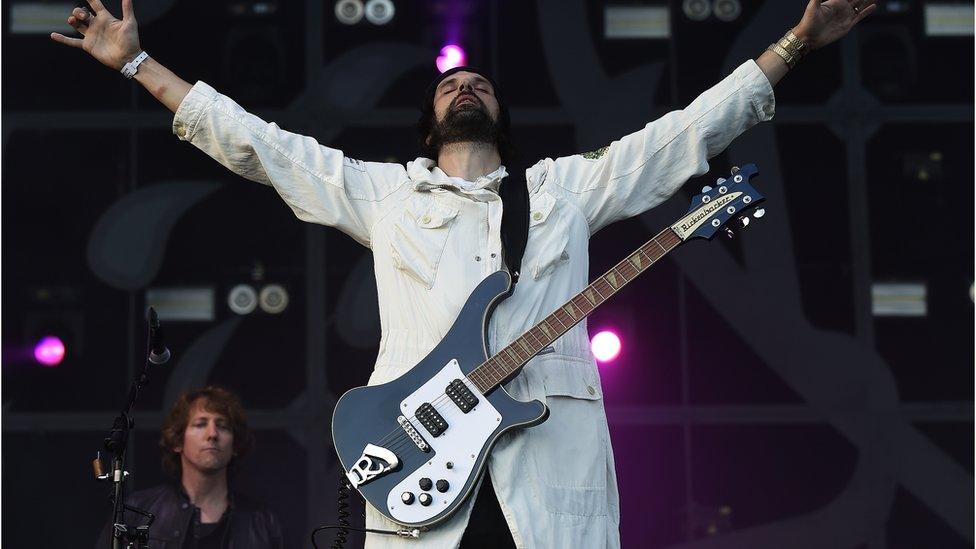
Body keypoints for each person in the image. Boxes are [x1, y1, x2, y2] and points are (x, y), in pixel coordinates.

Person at [58, 1, 875, 547]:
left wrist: (795, 43)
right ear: (431, 119)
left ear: (500, 114)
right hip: (415, 462)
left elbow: (683, 133)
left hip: (545, 471)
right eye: (451, 84)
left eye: (479, 83)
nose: (466, 86)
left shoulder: (560, 188)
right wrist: (138, 66)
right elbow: (259, 145)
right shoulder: (386, 193)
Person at [95, 386, 283, 549]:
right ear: (178, 441)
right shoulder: (137, 510)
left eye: (223, 426)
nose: (212, 434)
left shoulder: (262, 521)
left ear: (234, 445)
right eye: (200, 424)